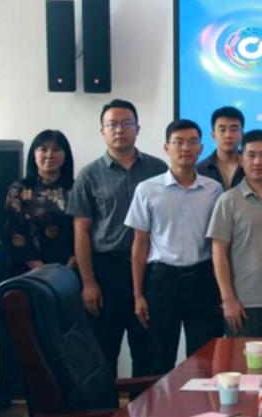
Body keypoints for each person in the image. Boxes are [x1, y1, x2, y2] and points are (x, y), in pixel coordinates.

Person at [67, 99, 167, 376]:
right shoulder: (89, 175)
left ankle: (143, 402)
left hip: (149, 269)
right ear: (102, 131)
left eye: (126, 123)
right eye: (112, 125)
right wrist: (88, 282)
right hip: (106, 270)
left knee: (147, 349)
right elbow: (81, 232)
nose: (119, 130)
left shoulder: (158, 169)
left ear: (138, 128)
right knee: (104, 350)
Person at [125, 119, 224, 373]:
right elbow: (140, 244)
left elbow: (218, 243)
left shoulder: (214, 190)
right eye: (178, 142)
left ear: (201, 148)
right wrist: (138, 294)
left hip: (202, 279)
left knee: (204, 356)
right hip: (162, 280)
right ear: (166, 148)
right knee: (158, 356)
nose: (185, 148)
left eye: (192, 142)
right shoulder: (147, 189)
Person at [207, 129, 262, 337]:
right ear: (240, 159)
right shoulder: (228, 200)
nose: (257, 162)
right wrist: (228, 299)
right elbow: (218, 253)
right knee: (244, 359)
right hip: (243, 304)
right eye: (251, 155)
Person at [3, 130, 76, 275]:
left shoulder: (76, 188)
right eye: (43, 149)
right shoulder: (19, 190)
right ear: (34, 155)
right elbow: (13, 230)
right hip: (28, 271)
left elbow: (85, 229)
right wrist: (37, 266)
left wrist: (72, 263)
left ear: (65, 155)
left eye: (56, 150)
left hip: (70, 269)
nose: (49, 155)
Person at [196, 106, 245, 190]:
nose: (228, 135)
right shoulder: (199, 170)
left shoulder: (253, 167)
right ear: (213, 135)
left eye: (234, 130)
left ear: (242, 135)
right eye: (222, 130)